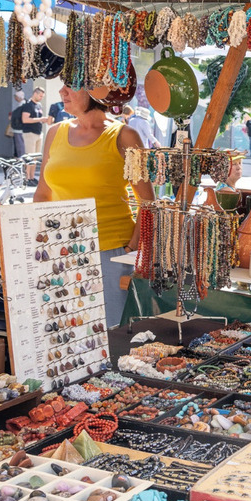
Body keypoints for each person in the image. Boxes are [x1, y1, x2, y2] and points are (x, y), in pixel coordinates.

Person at [35, 86, 154, 326]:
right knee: (68, 339)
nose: (62, 91)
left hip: (110, 253)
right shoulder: (55, 132)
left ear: (94, 91)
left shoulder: (124, 136)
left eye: (71, 86)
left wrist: (130, 249)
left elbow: (148, 202)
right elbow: (42, 194)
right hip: (61, 253)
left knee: (112, 337)